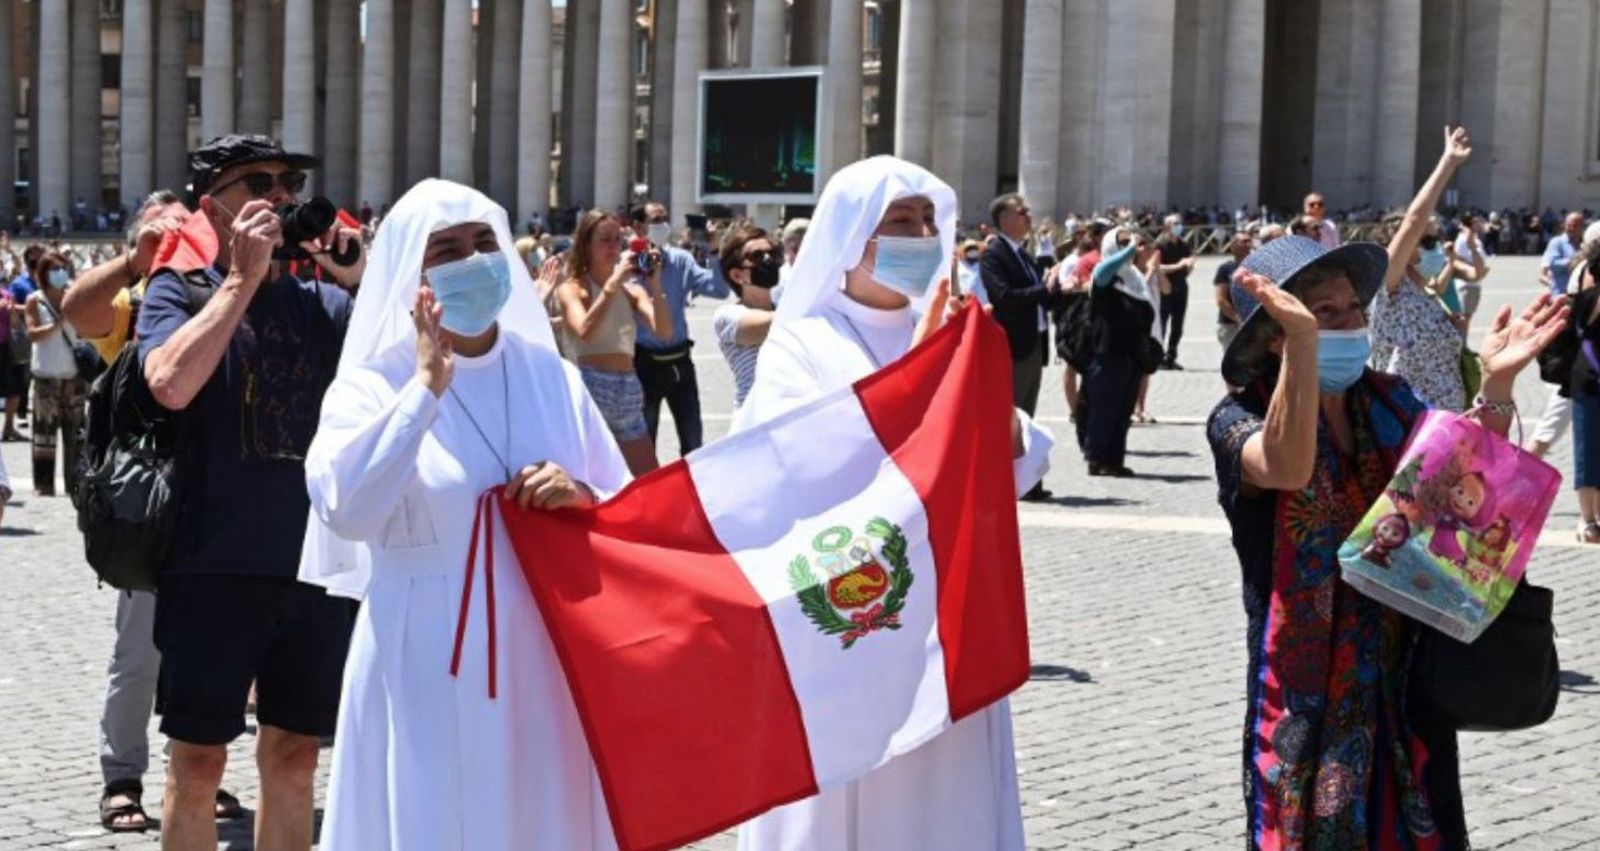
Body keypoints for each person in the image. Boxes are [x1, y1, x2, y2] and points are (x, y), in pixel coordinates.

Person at [1207, 232, 1566, 851]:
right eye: (1326, 313)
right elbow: (1287, 467)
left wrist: (1498, 389)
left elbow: (1464, 490)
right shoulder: (1236, 416)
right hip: (1304, 696)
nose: (1350, 323)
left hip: (1405, 676)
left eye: (1354, 309)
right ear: (1273, 335)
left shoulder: (1390, 401)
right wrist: (1302, 345)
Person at [734, 154, 1052, 851]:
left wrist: (971, 372)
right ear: (850, 238)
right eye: (899, 220)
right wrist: (923, 377)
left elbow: (1012, 457)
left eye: (928, 219)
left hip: (950, 611)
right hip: (848, 617)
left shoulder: (957, 327)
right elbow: (801, 462)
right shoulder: (802, 343)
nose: (920, 233)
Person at [300, 179, 630, 849]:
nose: (473, 260)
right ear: (409, 275)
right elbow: (345, 507)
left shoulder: (551, 374)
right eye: (446, 249)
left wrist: (581, 495)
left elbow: (623, 502)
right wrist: (423, 392)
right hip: (424, 647)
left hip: (541, 649)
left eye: (484, 243)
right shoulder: (374, 381)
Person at [137, 134, 363, 851]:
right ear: (213, 206)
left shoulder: (324, 303)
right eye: (258, 182)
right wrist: (239, 280)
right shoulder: (180, 289)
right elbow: (169, 383)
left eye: (288, 183)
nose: (281, 195)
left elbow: (411, 366)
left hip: (313, 566)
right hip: (211, 562)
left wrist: (364, 281)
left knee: (296, 754)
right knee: (198, 761)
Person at [58, 190, 251, 834]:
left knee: (211, 655)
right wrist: (132, 263)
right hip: (153, 499)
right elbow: (75, 312)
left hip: (223, 495)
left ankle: (198, 773)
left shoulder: (227, 287)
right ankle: (122, 776)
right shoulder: (136, 300)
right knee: (140, 652)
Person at [557, 209, 672, 475]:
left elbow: (664, 332)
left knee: (648, 479)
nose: (613, 247)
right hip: (591, 382)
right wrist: (612, 283)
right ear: (586, 245)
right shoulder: (573, 288)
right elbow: (584, 330)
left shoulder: (631, 288)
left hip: (628, 385)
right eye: (604, 240)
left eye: (617, 240)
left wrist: (655, 285)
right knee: (593, 475)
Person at [1370, 127, 1475, 413]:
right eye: (1422, 238)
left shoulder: (1419, 284)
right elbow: (1414, 219)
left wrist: (1453, 328)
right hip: (1407, 424)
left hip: (1444, 421)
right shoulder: (1388, 284)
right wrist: (1447, 164)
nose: (1428, 244)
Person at [626, 202, 729, 458]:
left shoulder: (680, 260)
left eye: (664, 219)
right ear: (639, 226)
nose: (661, 225)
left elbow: (719, 289)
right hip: (644, 363)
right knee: (646, 440)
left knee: (692, 439)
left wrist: (715, 249)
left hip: (679, 361)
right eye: (655, 220)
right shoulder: (627, 266)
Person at [981, 192, 1061, 501]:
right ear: (1004, 219)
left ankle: (1026, 481)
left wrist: (1058, 288)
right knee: (1009, 418)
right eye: (1021, 211)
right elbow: (1005, 298)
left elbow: (1037, 296)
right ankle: (1006, 481)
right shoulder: (994, 255)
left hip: (1033, 343)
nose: (1028, 216)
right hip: (1012, 346)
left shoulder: (1023, 253)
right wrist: (1044, 289)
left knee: (1027, 415)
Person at [1078, 227, 1162, 476]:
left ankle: (1114, 460)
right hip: (1108, 353)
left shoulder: (1133, 277)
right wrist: (1128, 249)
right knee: (1104, 409)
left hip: (1132, 355)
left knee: (1123, 411)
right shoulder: (1106, 275)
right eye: (1123, 241)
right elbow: (1102, 271)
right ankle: (1096, 458)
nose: (1133, 245)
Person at [21, 252, 87, 497]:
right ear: (44, 273)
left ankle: (75, 483)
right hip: (46, 375)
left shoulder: (75, 296)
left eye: (63, 267)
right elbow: (32, 333)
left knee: (76, 434)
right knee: (43, 435)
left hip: (73, 376)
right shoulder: (34, 300)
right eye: (55, 268)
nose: (60, 272)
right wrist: (57, 324)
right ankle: (44, 483)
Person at [1558, 236, 1600, 541]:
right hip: (1589, 375)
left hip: (1589, 374)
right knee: (1587, 448)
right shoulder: (1589, 288)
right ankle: (1587, 520)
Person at [712, 224, 778, 410]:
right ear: (737, 275)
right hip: (753, 423)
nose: (768, 260)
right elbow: (774, 326)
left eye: (772, 253)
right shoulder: (727, 316)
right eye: (757, 256)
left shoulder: (785, 308)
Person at [5, 243, 45, 439]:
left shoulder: (48, 281)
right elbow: (11, 306)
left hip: (47, 333)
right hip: (25, 333)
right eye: (34, 260)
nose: (37, 263)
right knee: (25, 375)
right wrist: (32, 307)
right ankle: (21, 412)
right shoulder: (20, 284)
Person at [1155, 213, 1196, 369]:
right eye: (1175, 223)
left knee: (1178, 326)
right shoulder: (1160, 244)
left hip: (1181, 288)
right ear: (1167, 226)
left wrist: (1190, 266)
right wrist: (1179, 265)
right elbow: (1157, 267)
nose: (1179, 226)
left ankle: (1171, 356)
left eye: (1180, 223)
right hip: (1164, 289)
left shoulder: (1184, 245)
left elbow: (1187, 267)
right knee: (1162, 324)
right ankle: (1158, 357)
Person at [1215, 229, 1252, 347]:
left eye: (1249, 241)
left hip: (1254, 323)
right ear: (1233, 246)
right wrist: (1237, 319)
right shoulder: (1225, 269)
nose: (1248, 245)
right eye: (1244, 242)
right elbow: (1221, 299)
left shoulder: (1257, 266)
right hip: (1230, 324)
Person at [1541, 211, 1587, 296]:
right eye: (1569, 225)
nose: (1571, 228)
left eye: (1575, 226)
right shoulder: (1557, 242)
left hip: (1581, 293)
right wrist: (1573, 261)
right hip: (1562, 292)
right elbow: (1552, 263)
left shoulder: (1585, 244)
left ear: (1582, 227)